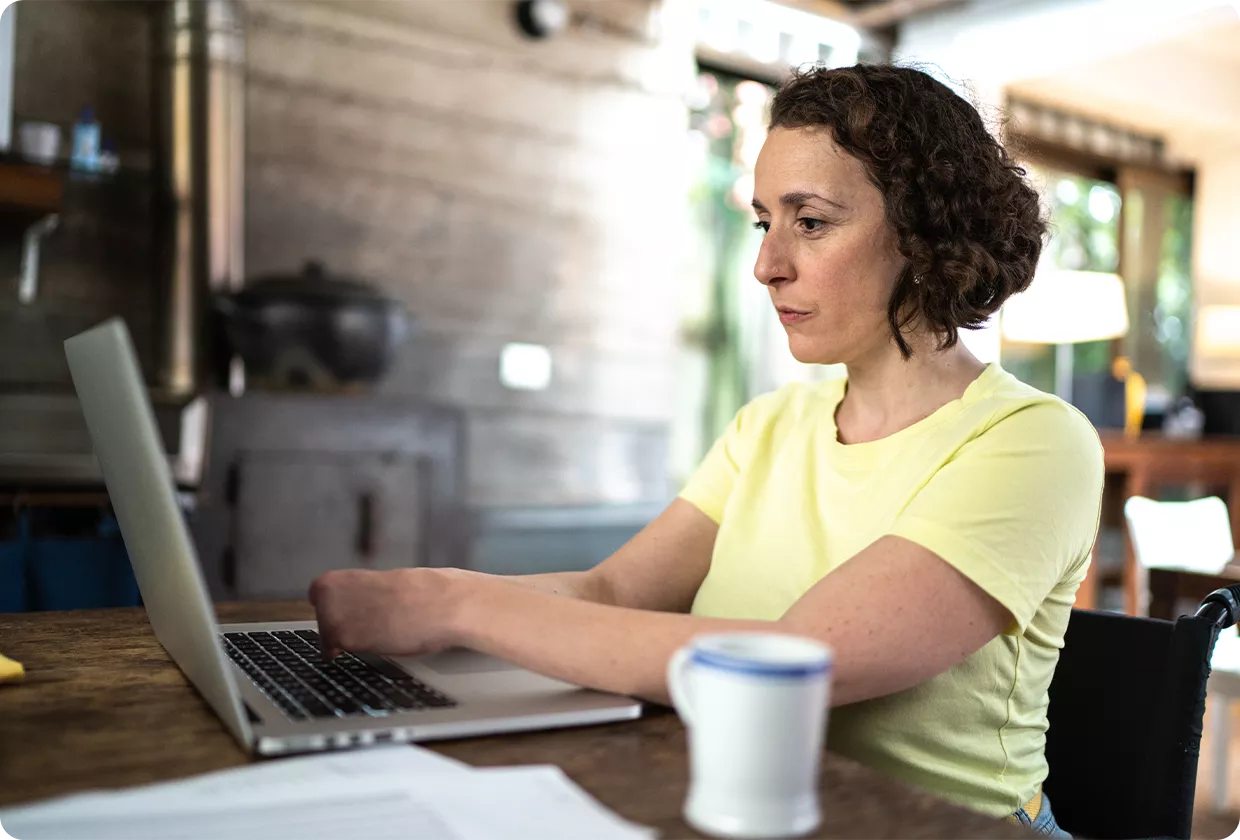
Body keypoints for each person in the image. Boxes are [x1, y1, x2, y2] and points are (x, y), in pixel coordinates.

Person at [309, 64, 1103, 836]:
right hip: (751, 802)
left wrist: (460, 607)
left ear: (927, 230)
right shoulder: (770, 425)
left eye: (812, 221)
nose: (767, 265)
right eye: (765, 222)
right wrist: (424, 601)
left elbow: (792, 663)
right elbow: (614, 590)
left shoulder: (1033, 443)